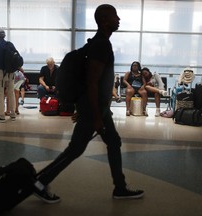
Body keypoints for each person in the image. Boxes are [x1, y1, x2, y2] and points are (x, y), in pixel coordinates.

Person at [33, 4, 144, 204]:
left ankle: (120, 187)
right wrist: (94, 115)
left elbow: (91, 81)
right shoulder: (101, 45)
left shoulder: (97, 43)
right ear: (104, 21)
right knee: (76, 149)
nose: (118, 19)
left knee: (113, 142)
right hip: (94, 109)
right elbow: (92, 82)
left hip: (97, 108)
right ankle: (40, 181)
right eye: (114, 16)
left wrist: (93, 111)